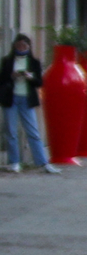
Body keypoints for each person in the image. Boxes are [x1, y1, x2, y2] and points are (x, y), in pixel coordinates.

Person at [3, 34, 53, 173]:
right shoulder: (7, 61)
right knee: (11, 132)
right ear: (14, 46)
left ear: (29, 47)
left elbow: (39, 83)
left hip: (27, 99)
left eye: (24, 46)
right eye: (19, 45)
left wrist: (30, 77)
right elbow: (2, 79)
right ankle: (14, 162)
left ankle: (42, 162)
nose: (21, 48)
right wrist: (11, 76)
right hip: (11, 98)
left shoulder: (34, 62)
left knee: (33, 131)